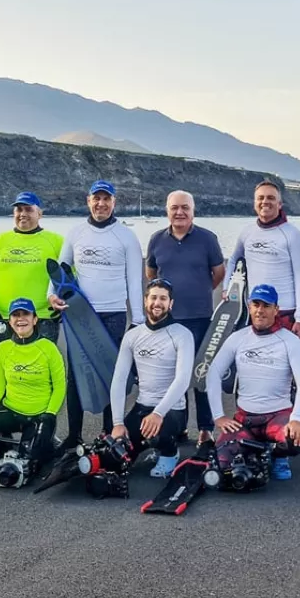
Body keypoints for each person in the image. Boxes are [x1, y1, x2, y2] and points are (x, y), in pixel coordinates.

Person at [49, 180, 144, 450]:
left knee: (110, 374)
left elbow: (134, 280)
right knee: (76, 375)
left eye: (106, 199)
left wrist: (138, 319)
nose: (101, 203)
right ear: (88, 201)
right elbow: (61, 269)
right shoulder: (76, 233)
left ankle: (108, 433)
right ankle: (74, 435)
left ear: (114, 202)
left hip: (113, 313)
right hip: (80, 314)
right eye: (96, 198)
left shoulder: (126, 236)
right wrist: (51, 295)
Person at [206, 284, 300, 480]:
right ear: (249, 307)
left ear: (276, 309)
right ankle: (255, 450)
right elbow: (213, 373)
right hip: (245, 419)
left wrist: (297, 419)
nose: (260, 310)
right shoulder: (238, 338)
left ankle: (278, 456)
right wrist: (218, 416)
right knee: (222, 462)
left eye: (266, 306)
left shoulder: (290, 341)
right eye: (256, 305)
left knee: (293, 440)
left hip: (277, 416)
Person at [145, 190, 225, 446]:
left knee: (200, 374)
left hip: (199, 317)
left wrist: (199, 291)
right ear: (167, 210)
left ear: (193, 210)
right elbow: (152, 275)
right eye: (174, 208)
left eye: (185, 208)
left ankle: (205, 429)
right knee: (171, 374)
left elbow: (218, 273)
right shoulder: (156, 240)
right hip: (168, 321)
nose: (179, 212)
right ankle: (177, 426)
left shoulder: (207, 239)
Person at [108, 279, 195, 477]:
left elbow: (182, 380)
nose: (157, 303)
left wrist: (158, 413)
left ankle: (169, 452)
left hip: (171, 410)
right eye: (153, 297)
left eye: (163, 298)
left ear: (171, 304)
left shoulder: (182, 335)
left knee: (158, 434)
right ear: (145, 301)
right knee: (116, 454)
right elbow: (119, 379)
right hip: (143, 406)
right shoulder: (132, 336)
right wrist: (118, 423)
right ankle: (147, 445)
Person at [0, 298, 66, 466]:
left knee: (31, 459)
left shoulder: (49, 348)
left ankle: (44, 441)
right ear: (10, 321)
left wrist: (50, 414)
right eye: (16, 315)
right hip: (11, 410)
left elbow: (59, 386)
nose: (21, 319)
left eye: (25, 314)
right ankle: (4, 444)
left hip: (39, 414)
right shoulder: (2, 348)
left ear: (35, 319)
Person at [225, 179, 300, 338]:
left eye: (271, 198)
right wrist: (226, 288)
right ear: (254, 203)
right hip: (255, 311)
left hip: (284, 311)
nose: (265, 201)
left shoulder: (292, 234)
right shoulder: (247, 232)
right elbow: (233, 260)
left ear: (280, 204)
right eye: (261, 198)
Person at [0, 192, 63, 343]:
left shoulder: (56, 241)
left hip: (43, 317)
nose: (23, 214)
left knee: (42, 358)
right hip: (5, 318)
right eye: (19, 210)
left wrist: (63, 301)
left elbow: (71, 274)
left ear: (39, 213)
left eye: (28, 209)